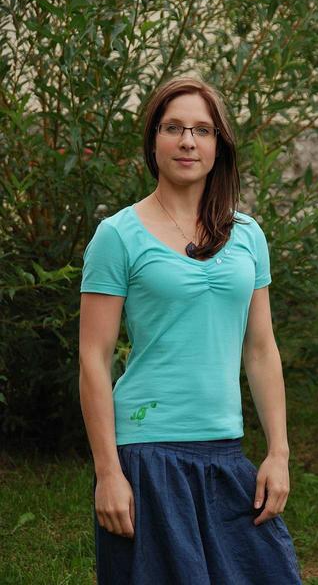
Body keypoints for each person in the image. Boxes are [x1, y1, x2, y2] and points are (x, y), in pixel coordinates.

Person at [79, 75, 303, 584]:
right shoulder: (117, 236)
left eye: (202, 130)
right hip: (147, 453)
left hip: (226, 451)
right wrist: (108, 471)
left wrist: (278, 452)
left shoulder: (247, 234)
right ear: (153, 139)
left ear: (218, 145)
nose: (187, 141)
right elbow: (94, 357)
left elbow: (261, 349)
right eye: (173, 128)